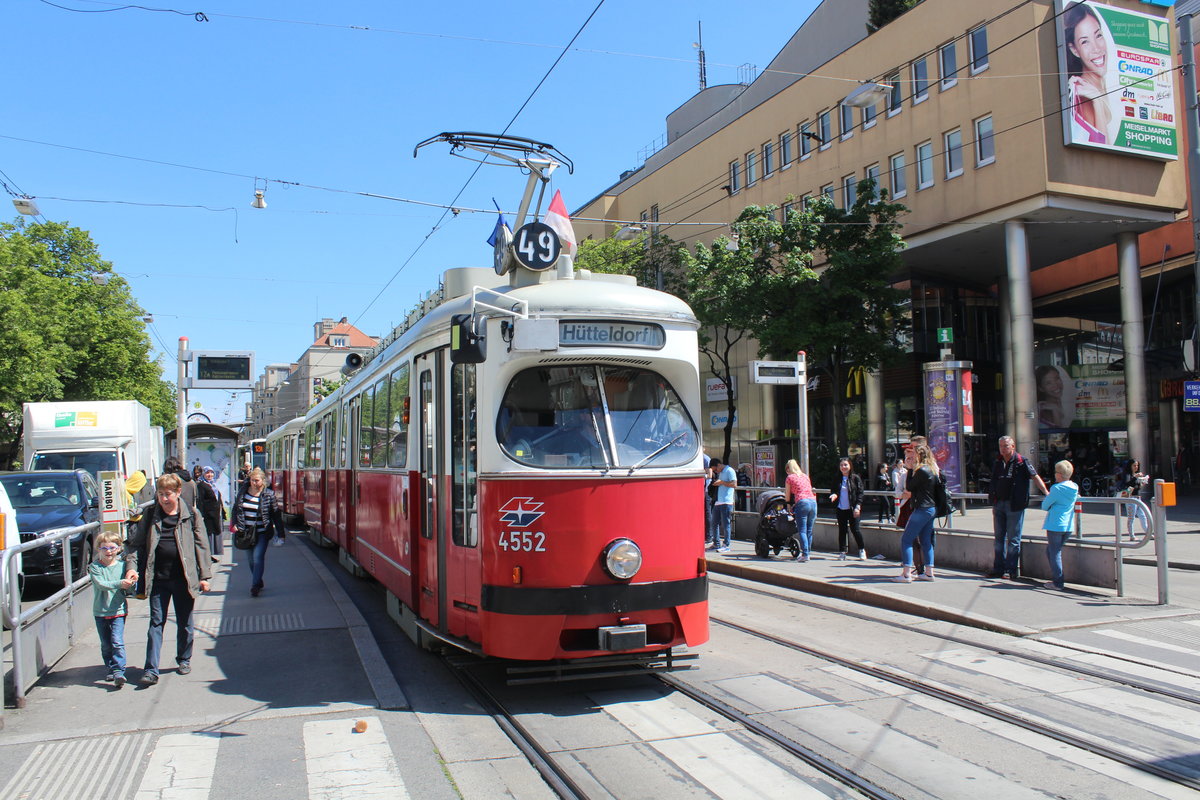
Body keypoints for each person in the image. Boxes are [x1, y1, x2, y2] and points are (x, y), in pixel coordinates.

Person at [124, 473, 212, 685]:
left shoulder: (191, 514)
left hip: (183, 577)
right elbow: (135, 544)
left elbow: (202, 544)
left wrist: (205, 575)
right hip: (158, 578)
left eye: (168, 494)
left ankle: (184, 658)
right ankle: (151, 669)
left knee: (184, 622)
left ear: (178, 492)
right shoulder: (150, 514)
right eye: (161, 494)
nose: (164, 499)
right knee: (156, 622)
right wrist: (131, 568)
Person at [988, 435, 1049, 580]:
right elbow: (994, 481)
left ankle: (1011, 570)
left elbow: (1034, 476)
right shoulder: (998, 462)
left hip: (1014, 504)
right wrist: (993, 500)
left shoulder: (1022, 461)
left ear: (1013, 446)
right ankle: (998, 569)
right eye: (1001, 446)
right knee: (998, 538)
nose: (1003, 449)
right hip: (999, 504)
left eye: (1006, 446)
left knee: (1013, 538)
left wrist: (1046, 492)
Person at [90, 530, 136, 687]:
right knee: (106, 644)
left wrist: (132, 583)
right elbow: (101, 584)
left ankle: (119, 671)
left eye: (112, 548)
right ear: (98, 549)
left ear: (118, 549)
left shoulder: (123, 566)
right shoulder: (95, 567)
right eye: (104, 548)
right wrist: (120, 583)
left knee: (117, 641)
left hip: (118, 610)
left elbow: (129, 586)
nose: (108, 551)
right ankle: (110, 667)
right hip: (100, 611)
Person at [1064, 2, 1113, 144]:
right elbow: (1102, 151)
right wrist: (1096, 101)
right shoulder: (1084, 98)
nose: (1096, 48)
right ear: (1074, 50)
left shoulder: (1100, 86)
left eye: (1098, 36)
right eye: (1085, 42)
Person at [232, 467, 285, 596]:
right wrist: (234, 524)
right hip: (246, 532)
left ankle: (255, 585)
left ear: (263, 481)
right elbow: (236, 510)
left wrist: (281, 534)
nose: (254, 483)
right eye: (252, 480)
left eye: (256, 480)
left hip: (262, 532)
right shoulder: (243, 492)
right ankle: (258, 580)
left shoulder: (269, 494)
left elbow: (276, 515)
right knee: (250, 560)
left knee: (257, 558)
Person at [893, 444, 939, 583]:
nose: (912, 458)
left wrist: (910, 469)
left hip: (921, 508)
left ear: (919, 455)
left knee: (906, 539)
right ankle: (929, 572)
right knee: (926, 541)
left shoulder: (920, 470)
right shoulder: (932, 469)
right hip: (931, 508)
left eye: (914, 455)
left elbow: (910, 487)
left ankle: (906, 573)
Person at [1041, 460, 1079, 591]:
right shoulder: (1074, 487)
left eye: (1056, 472)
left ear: (1060, 475)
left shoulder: (1056, 488)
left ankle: (1058, 582)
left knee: (1054, 552)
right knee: (1052, 551)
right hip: (1068, 525)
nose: (1054, 474)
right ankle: (1057, 579)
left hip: (1055, 524)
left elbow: (1045, 505)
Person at [829, 458, 867, 560]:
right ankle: (842, 552)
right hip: (841, 508)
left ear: (850, 466)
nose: (843, 467)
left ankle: (862, 549)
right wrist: (834, 495)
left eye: (845, 465)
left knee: (855, 530)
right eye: (841, 465)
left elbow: (860, 493)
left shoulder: (855, 478)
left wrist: (857, 507)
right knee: (842, 530)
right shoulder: (837, 478)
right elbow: (834, 490)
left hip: (852, 508)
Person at [784, 459, 817, 562]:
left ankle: (805, 554)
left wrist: (788, 505)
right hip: (813, 502)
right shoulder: (805, 476)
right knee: (809, 530)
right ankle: (808, 552)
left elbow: (787, 495)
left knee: (802, 530)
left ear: (789, 469)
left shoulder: (790, 478)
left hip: (802, 502)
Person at [708, 458, 737, 554]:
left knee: (726, 524)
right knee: (714, 523)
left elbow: (734, 484)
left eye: (715, 469)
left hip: (726, 501)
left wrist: (722, 483)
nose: (716, 471)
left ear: (719, 465)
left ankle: (726, 545)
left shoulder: (729, 470)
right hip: (718, 501)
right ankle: (716, 543)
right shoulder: (721, 473)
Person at [196, 465, 224, 561]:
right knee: (208, 535)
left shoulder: (213, 484)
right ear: (203, 474)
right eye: (207, 473)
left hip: (216, 514)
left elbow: (218, 499)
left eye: (211, 472)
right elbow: (200, 501)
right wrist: (201, 515)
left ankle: (210, 555)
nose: (210, 475)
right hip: (208, 515)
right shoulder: (201, 485)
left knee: (214, 534)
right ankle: (207, 556)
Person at [1118, 458, 1150, 539]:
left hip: (1138, 498)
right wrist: (1135, 477)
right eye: (1134, 465)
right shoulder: (1128, 474)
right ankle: (1131, 535)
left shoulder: (1136, 474)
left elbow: (1137, 486)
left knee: (1143, 516)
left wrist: (1142, 481)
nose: (1136, 467)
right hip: (1130, 498)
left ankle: (1147, 532)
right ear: (1130, 466)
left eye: (1137, 465)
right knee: (1131, 517)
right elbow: (1128, 484)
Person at [702, 453, 714, 547]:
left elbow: (709, 475)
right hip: (701, 489)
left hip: (706, 490)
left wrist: (701, 476)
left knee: (707, 512)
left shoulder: (705, 458)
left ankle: (709, 536)